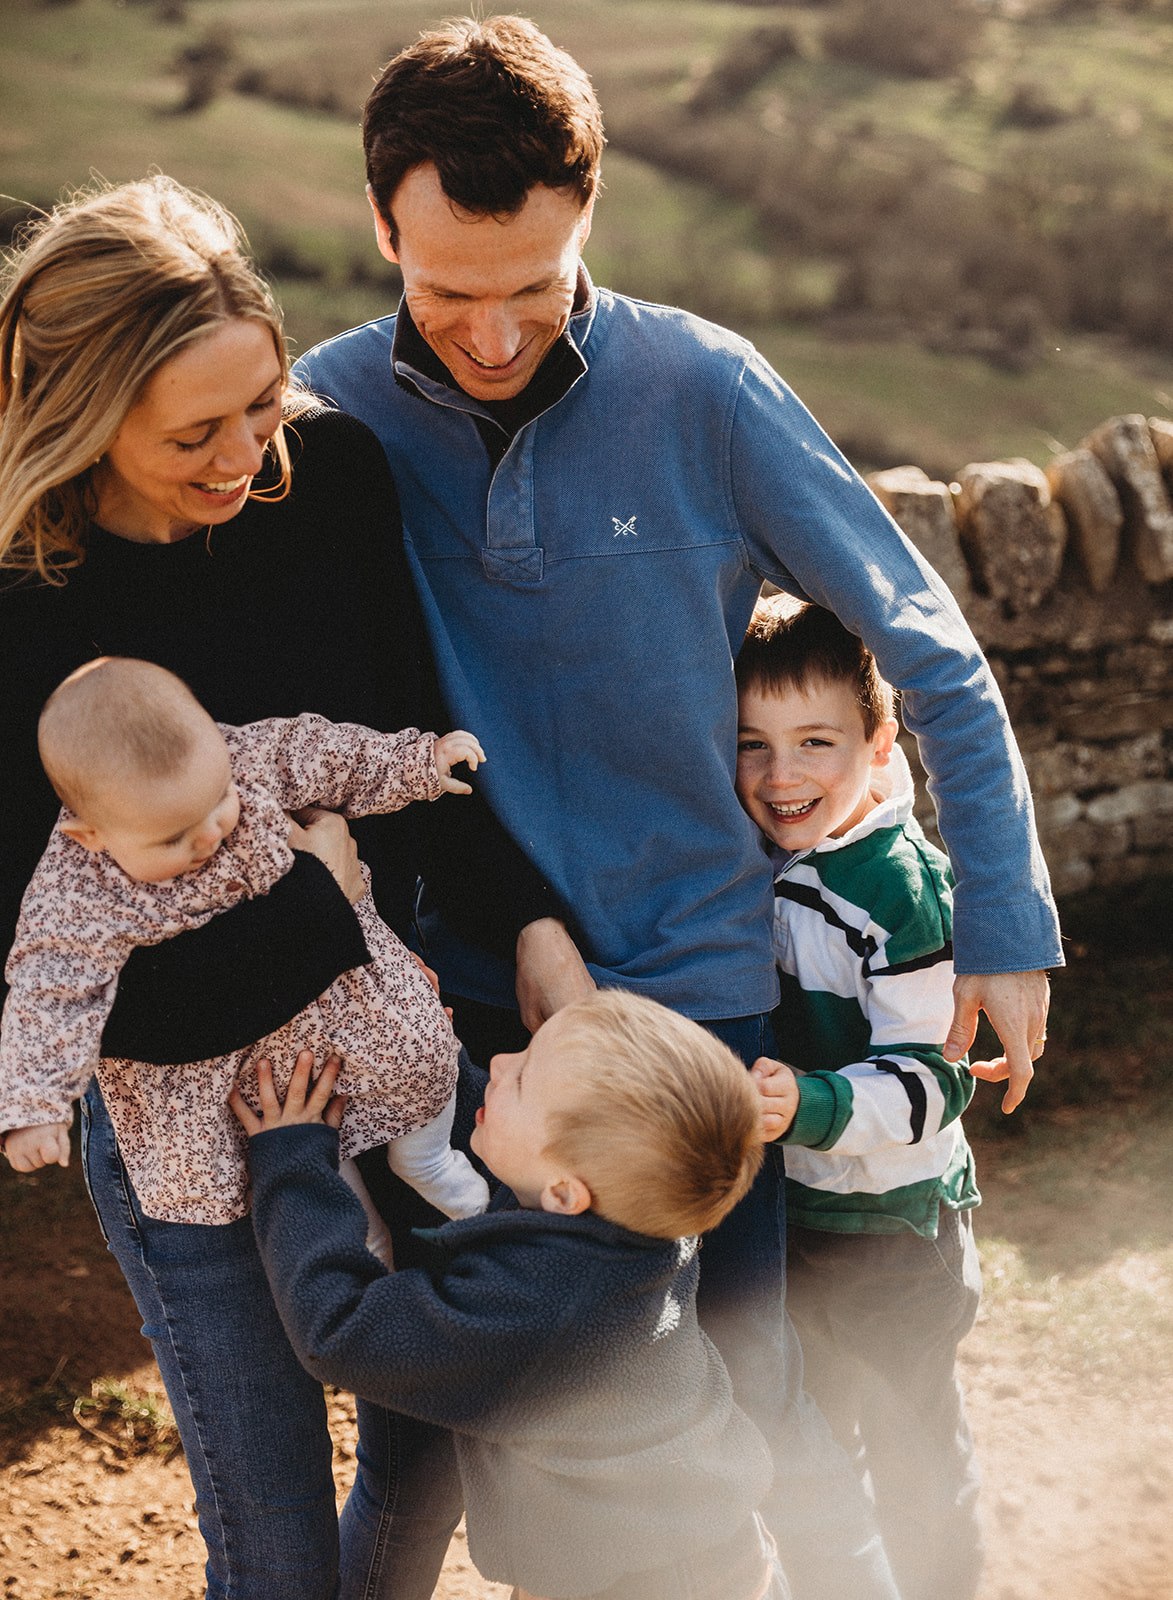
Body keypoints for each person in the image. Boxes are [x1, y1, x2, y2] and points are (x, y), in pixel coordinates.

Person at [295, 15, 1060, 1596]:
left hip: (706, 1009)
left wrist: (1002, 916)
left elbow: (927, 647)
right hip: (462, 1029)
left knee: (759, 1397)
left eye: (533, 286)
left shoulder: (702, 387)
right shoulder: (326, 415)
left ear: (592, 211)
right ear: (379, 226)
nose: (492, 336)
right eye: (446, 293)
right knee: (422, 1446)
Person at [0, 172, 556, 1600]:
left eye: (261, 402)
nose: (250, 454)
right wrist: (315, 894)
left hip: (383, 1044)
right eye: (195, 433)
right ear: (79, 418)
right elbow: (91, 978)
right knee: (277, 1536)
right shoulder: (20, 604)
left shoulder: (329, 478)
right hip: (183, 1116)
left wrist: (533, 933)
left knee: (429, 1456)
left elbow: (407, 746)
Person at [231, 990, 789, 1600]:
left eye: (521, 1080)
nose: (500, 1063)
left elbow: (339, 1330)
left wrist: (293, 1158)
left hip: (638, 1579)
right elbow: (523, 1151)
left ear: (565, 1193)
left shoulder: (537, 1310)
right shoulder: (641, 1218)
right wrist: (426, 1044)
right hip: (684, 1541)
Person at [1, 655, 490, 1243]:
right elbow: (49, 994)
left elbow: (326, 754)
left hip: (337, 997)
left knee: (421, 1052)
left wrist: (417, 761)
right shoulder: (76, 890)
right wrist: (33, 1108)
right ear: (91, 834)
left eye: (220, 801)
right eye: (176, 837)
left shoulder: (244, 756)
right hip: (230, 1058)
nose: (212, 833)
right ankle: (361, 1243)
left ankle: (427, 1160)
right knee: (292, 1155)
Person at [739, 598, 984, 1600]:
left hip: (897, 1231)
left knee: (913, 1450)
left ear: (879, 746)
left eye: (815, 742)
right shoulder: (762, 859)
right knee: (812, 1444)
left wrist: (810, 1105)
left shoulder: (899, 890)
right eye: (752, 744)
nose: (780, 774)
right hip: (799, 1215)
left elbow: (936, 1079)